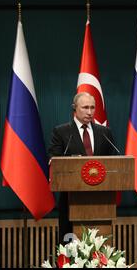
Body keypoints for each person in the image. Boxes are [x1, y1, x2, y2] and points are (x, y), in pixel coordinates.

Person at [48, 92, 118, 243]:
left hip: (101, 201)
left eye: (92, 107)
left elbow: (113, 165)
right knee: (69, 246)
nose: (90, 112)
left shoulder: (104, 132)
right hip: (70, 200)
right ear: (74, 108)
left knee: (101, 244)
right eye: (85, 107)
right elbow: (54, 162)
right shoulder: (61, 132)